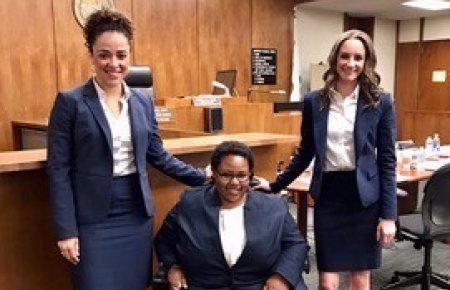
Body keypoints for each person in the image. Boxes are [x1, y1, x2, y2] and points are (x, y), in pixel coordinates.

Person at [46, 9, 206, 290]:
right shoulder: (70, 102)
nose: (113, 63)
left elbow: (158, 155)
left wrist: (203, 177)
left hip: (135, 212)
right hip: (91, 217)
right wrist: (66, 231)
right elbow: (58, 170)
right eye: (104, 55)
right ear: (91, 55)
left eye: (121, 55)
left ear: (130, 55)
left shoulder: (143, 100)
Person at [257, 29, 397, 290]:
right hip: (329, 195)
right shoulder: (313, 101)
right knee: (327, 280)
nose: (351, 64)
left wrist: (388, 216)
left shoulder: (380, 102)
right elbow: (305, 151)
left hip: (364, 198)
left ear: (366, 61)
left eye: (358, 57)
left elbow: (387, 161)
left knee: (360, 278)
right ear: (335, 59)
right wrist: (276, 185)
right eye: (345, 56)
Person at [155, 141, 308, 290]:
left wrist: (281, 277)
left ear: (250, 175)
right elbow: (164, 240)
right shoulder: (190, 203)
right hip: (204, 285)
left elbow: (296, 244)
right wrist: (173, 267)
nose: (234, 182)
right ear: (213, 174)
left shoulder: (273, 206)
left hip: (259, 284)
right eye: (226, 175)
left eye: (242, 175)